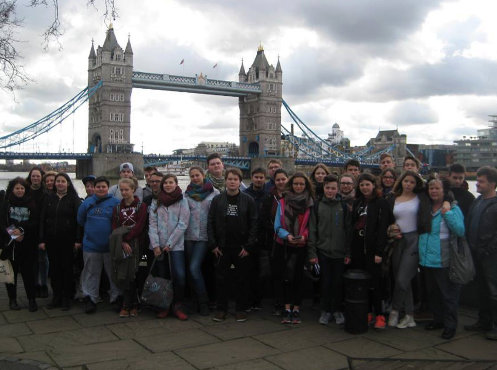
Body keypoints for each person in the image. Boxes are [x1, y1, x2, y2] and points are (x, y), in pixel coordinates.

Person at [208, 168, 257, 322]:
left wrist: (248, 246)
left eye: (235, 179)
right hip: (222, 246)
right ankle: (221, 309)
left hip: (241, 247)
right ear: (226, 180)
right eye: (230, 179)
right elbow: (210, 222)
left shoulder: (248, 200)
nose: (232, 182)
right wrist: (213, 244)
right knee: (221, 279)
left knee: (242, 279)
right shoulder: (217, 200)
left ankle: (241, 309)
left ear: (239, 182)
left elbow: (254, 224)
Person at [419, 176, 465, 340]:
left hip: (444, 260)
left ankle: (450, 326)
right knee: (433, 294)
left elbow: (460, 230)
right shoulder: (426, 207)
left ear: (444, 191)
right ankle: (437, 320)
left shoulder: (452, 208)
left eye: (437, 188)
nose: (433, 191)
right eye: (431, 188)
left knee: (448, 295)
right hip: (426, 259)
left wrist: (448, 214)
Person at [387, 170, 430, 329]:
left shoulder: (421, 198)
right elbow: (389, 219)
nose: (408, 184)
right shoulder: (393, 198)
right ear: (401, 182)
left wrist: (449, 202)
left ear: (416, 184)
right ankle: (409, 316)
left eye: (412, 182)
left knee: (402, 279)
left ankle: (395, 310)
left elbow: (442, 192)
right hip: (397, 241)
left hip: (414, 239)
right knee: (402, 279)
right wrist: (391, 227)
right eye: (406, 181)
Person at [349, 173, 391, 329]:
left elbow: (382, 229)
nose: (365, 187)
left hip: (373, 249)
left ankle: (380, 315)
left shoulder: (381, 203)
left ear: (374, 185)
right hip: (358, 248)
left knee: (376, 283)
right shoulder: (358, 202)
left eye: (367, 184)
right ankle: (366, 312)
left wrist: (379, 252)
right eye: (362, 185)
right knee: (363, 283)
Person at [308, 175, 349, 326]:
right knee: (325, 283)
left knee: (338, 283)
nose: (330, 191)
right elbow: (312, 230)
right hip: (322, 251)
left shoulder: (343, 206)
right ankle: (325, 311)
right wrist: (312, 253)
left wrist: (348, 252)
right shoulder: (317, 206)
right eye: (327, 188)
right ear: (323, 188)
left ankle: (337, 310)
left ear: (337, 189)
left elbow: (348, 230)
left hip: (339, 252)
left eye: (333, 188)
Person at [274, 172, 314, 324]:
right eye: (296, 183)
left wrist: (304, 236)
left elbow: (312, 225)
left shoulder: (310, 203)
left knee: (299, 278)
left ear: (306, 186)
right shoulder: (282, 202)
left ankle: (296, 308)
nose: (298, 186)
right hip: (284, 245)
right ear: (291, 185)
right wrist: (287, 236)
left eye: (301, 184)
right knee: (285, 277)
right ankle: (286, 307)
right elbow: (277, 226)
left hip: (302, 245)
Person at [149, 174, 190, 320]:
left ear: (176, 184)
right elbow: (152, 224)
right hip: (158, 246)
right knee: (163, 277)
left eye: (170, 182)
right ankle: (164, 305)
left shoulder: (183, 201)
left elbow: (183, 224)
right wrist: (155, 245)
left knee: (179, 275)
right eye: (165, 183)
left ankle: (178, 305)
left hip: (176, 246)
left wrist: (170, 243)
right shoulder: (156, 202)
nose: (167, 185)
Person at [77, 176, 121, 314]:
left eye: (103, 186)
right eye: (98, 187)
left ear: (108, 188)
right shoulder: (87, 203)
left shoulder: (115, 203)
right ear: (94, 188)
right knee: (91, 273)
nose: (101, 189)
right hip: (91, 245)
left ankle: (116, 298)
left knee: (113, 274)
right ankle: (91, 298)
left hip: (110, 247)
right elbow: (80, 220)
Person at [39, 173, 82, 310]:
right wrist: (41, 239)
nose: (60, 183)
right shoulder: (48, 198)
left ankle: (66, 297)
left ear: (68, 183)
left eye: (63, 181)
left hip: (68, 241)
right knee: (54, 269)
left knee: (67, 269)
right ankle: (56, 296)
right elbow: (42, 220)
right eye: (58, 181)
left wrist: (77, 240)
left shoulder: (74, 199)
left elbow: (79, 222)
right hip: (51, 240)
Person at [464, 166, 497, 340]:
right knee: (481, 290)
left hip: (491, 256)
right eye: (477, 180)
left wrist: (488, 249)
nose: (477, 184)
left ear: (492, 184)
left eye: (481, 181)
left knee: (494, 291)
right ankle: (483, 321)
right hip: (475, 252)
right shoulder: (477, 201)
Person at [0, 177, 39, 312]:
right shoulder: (6, 203)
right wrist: (14, 234)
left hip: (27, 243)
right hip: (11, 244)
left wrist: (22, 231)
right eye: (17, 188)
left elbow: (35, 221)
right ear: (12, 189)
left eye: (22, 188)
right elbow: (2, 222)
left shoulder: (31, 204)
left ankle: (31, 300)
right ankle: (12, 300)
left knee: (29, 273)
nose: (20, 190)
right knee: (11, 274)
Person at [184, 167, 219, 316]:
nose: (195, 178)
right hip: (188, 236)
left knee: (194, 268)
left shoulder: (215, 193)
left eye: (197, 175)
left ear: (203, 175)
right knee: (191, 270)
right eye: (192, 176)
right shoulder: (185, 194)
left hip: (204, 237)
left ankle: (204, 302)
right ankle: (195, 301)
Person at [111, 178, 148, 318]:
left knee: (139, 273)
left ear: (133, 190)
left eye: (127, 189)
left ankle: (135, 304)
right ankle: (127, 304)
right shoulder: (117, 208)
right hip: (124, 247)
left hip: (140, 247)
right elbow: (114, 226)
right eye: (122, 190)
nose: (124, 192)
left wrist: (127, 238)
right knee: (125, 274)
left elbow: (140, 226)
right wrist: (122, 242)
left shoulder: (141, 206)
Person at [260, 168, 289, 315]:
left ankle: (290, 303)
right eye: (278, 180)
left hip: (292, 241)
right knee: (276, 273)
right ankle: (278, 303)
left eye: (283, 179)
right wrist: (275, 229)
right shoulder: (268, 198)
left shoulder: (294, 196)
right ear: (274, 181)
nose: (281, 182)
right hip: (274, 241)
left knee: (290, 273)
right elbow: (263, 219)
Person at [243, 167, 269, 311]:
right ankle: (248, 300)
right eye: (256, 177)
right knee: (248, 271)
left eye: (261, 177)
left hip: (264, 239)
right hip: (248, 239)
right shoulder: (245, 195)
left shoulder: (269, 195)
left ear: (265, 178)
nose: (259, 179)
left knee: (262, 272)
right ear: (252, 178)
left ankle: (258, 301)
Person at [26, 167, 48, 299]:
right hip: (28, 231)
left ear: (41, 178)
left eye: (38, 176)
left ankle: (44, 285)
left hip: (42, 230)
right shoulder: (25, 191)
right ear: (30, 177)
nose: (35, 178)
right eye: (33, 176)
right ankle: (34, 284)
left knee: (43, 260)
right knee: (32, 260)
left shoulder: (46, 193)